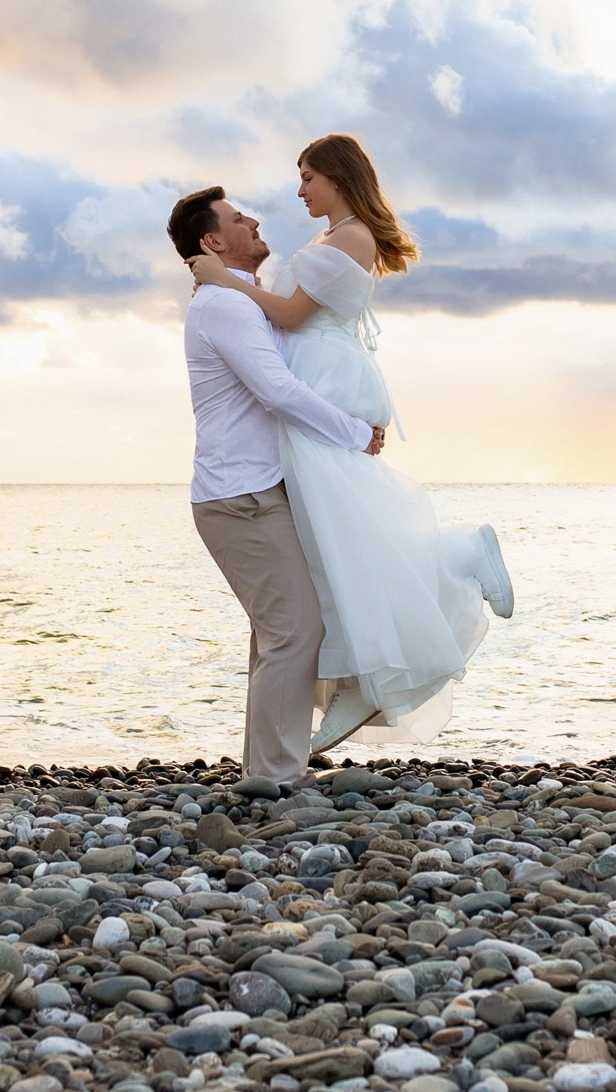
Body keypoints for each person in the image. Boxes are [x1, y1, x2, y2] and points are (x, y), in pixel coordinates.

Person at [186, 133, 513, 754]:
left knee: (350, 527)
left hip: (324, 378)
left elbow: (289, 316)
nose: (300, 190)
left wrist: (226, 281)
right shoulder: (331, 238)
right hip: (315, 377)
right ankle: (361, 677)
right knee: (340, 539)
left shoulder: (352, 236)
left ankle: (460, 558)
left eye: (308, 176)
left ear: (338, 176)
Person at [172, 184, 388, 783]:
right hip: (239, 495)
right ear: (213, 241)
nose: (254, 221)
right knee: (294, 629)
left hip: (260, 489)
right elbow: (277, 391)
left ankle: (268, 766)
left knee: (280, 631)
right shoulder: (224, 305)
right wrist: (355, 432)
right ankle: (275, 774)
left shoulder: (243, 299)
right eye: (238, 218)